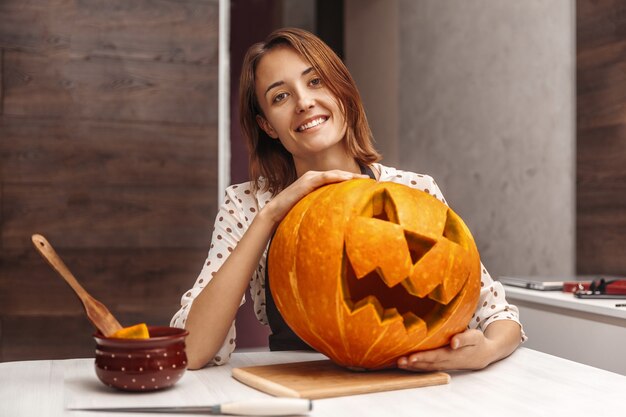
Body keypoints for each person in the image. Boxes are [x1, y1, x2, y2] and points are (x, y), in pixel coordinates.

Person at [171, 27, 525, 371]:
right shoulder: (247, 204)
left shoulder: (415, 188)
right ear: (267, 126)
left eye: (315, 82)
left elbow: (498, 314)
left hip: (403, 389)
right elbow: (192, 350)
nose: (304, 102)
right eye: (280, 96)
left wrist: (487, 350)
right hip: (302, 392)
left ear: (342, 91)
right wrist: (270, 215)